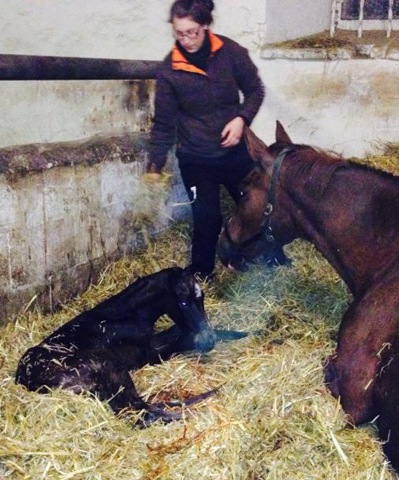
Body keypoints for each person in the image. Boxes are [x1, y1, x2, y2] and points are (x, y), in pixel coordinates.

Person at [147, 0, 289, 280]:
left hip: (235, 152)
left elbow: (254, 90)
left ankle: (275, 260)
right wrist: (154, 167)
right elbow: (163, 124)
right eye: (179, 33)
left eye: (192, 32)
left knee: (259, 205)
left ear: (205, 26)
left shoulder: (230, 52)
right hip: (196, 158)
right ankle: (201, 275)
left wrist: (241, 119)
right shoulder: (169, 71)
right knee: (206, 218)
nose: (186, 40)